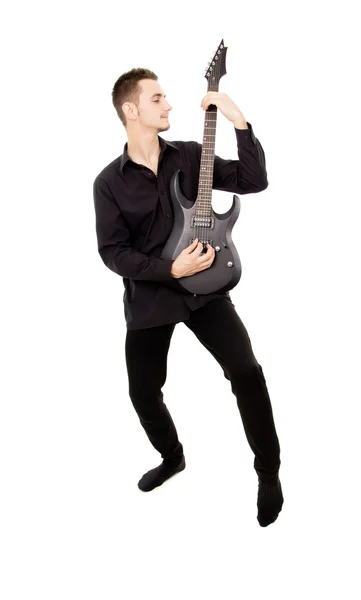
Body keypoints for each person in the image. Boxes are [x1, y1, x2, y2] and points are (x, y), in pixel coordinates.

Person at [93, 67, 284, 527]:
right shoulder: (108, 183)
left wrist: (239, 122)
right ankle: (172, 456)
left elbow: (253, 180)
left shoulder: (191, 155)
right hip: (152, 296)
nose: (170, 105)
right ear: (131, 110)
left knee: (247, 371)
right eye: (157, 98)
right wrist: (169, 269)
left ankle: (269, 474)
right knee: (143, 391)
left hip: (207, 286)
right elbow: (113, 252)